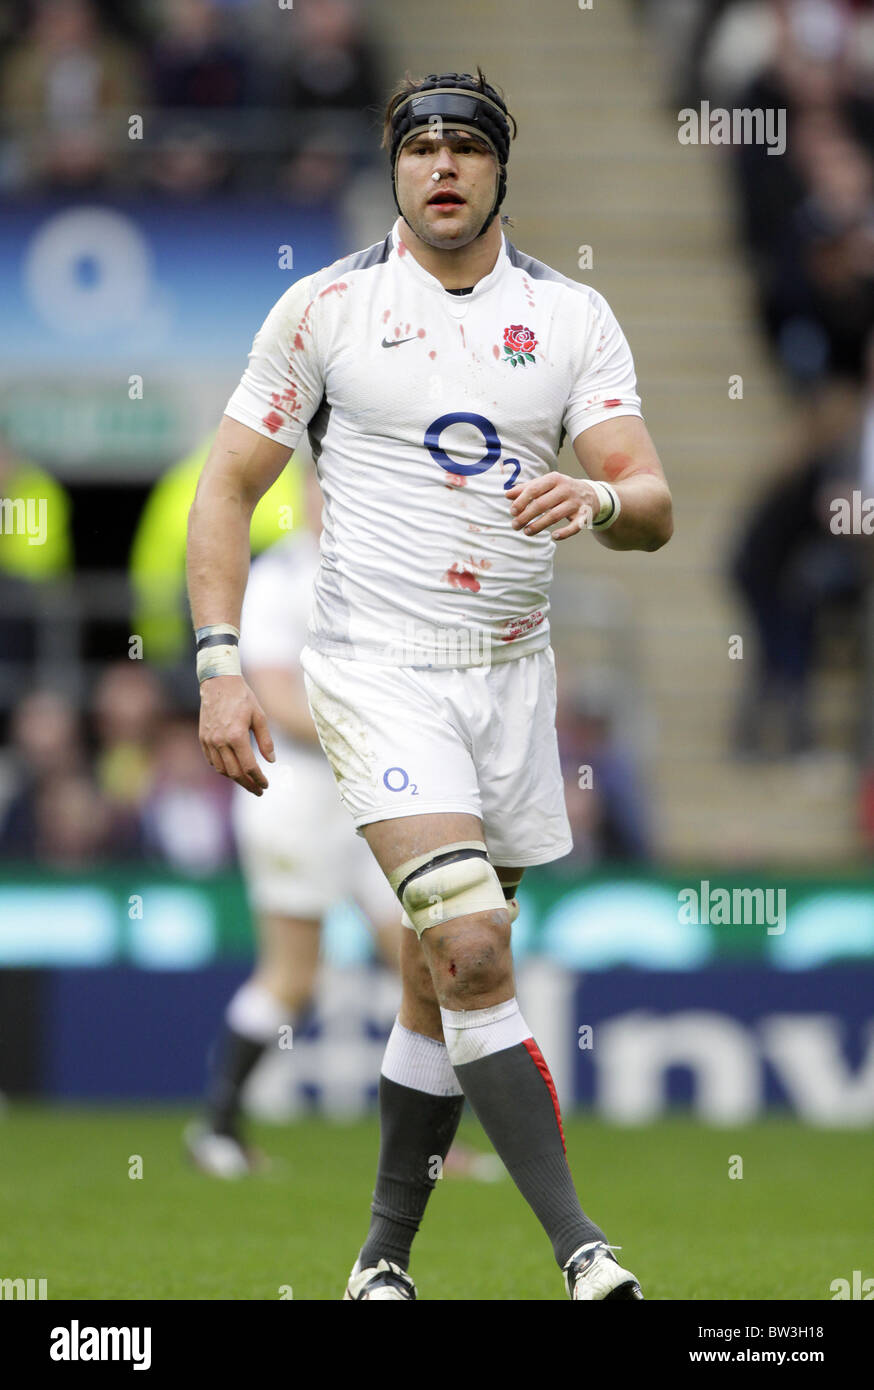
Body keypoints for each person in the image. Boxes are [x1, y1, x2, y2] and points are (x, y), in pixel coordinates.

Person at [187, 69, 673, 1301]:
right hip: (376, 672)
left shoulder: (571, 320)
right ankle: (584, 1252)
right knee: (468, 944)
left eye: (465, 146)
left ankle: (379, 1262)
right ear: (394, 167)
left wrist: (599, 498)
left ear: (502, 167)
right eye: (420, 148)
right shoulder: (327, 309)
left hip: (509, 680)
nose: (441, 166)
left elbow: (649, 501)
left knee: (429, 975)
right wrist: (219, 663)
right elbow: (229, 487)